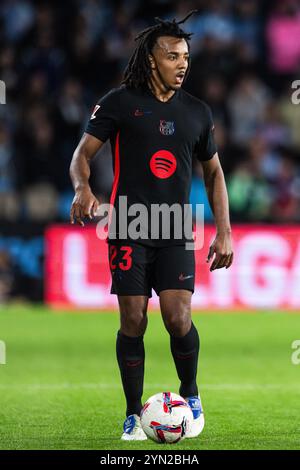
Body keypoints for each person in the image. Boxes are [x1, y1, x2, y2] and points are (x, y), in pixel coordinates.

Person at [69, 12, 233, 441]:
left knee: (178, 318)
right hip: (128, 227)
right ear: (151, 59)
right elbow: (81, 156)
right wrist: (83, 189)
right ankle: (131, 414)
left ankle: (191, 393)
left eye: (186, 57)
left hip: (176, 227)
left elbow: (214, 174)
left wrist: (224, 230)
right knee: (134, 321)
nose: (182, 64)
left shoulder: (197, 112)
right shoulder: (120, 103)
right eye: (173, 55)